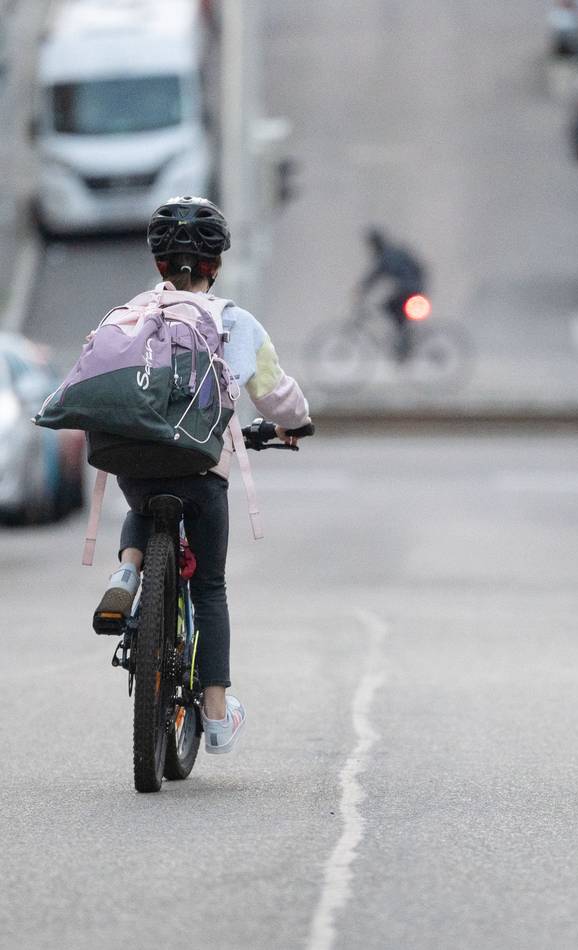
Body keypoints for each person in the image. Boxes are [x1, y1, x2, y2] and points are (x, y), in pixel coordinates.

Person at [92, 196, 312, 753]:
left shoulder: (130, 313)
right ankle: (215, 717)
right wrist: (296, 424)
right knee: (210, 587)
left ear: (158, 262)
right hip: (202, 472)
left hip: (138, 467)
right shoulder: (233, 322)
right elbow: (276, 392)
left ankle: (127, 572)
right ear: (216, 263)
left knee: (140, 500)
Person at [356, 227, 427, 360]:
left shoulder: (387, 256)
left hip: (410, 289)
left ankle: (404, 343)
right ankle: (403, 339)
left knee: (389, 307)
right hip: (414, 288)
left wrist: (362, 289)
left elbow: (377, 274)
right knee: (392, 308)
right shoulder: (392, 252)